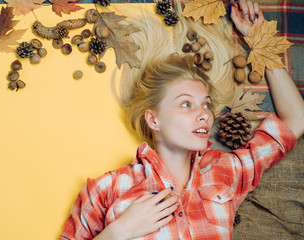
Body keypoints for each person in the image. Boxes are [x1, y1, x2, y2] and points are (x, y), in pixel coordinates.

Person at [60, 0, 304, 239]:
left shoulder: (226, 171)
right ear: (153, 119)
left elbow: (297, 118)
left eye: (206, 104)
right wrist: (118, 232)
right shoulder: (108, 189)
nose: (204, 114)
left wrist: (258, 37)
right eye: (186, 104)